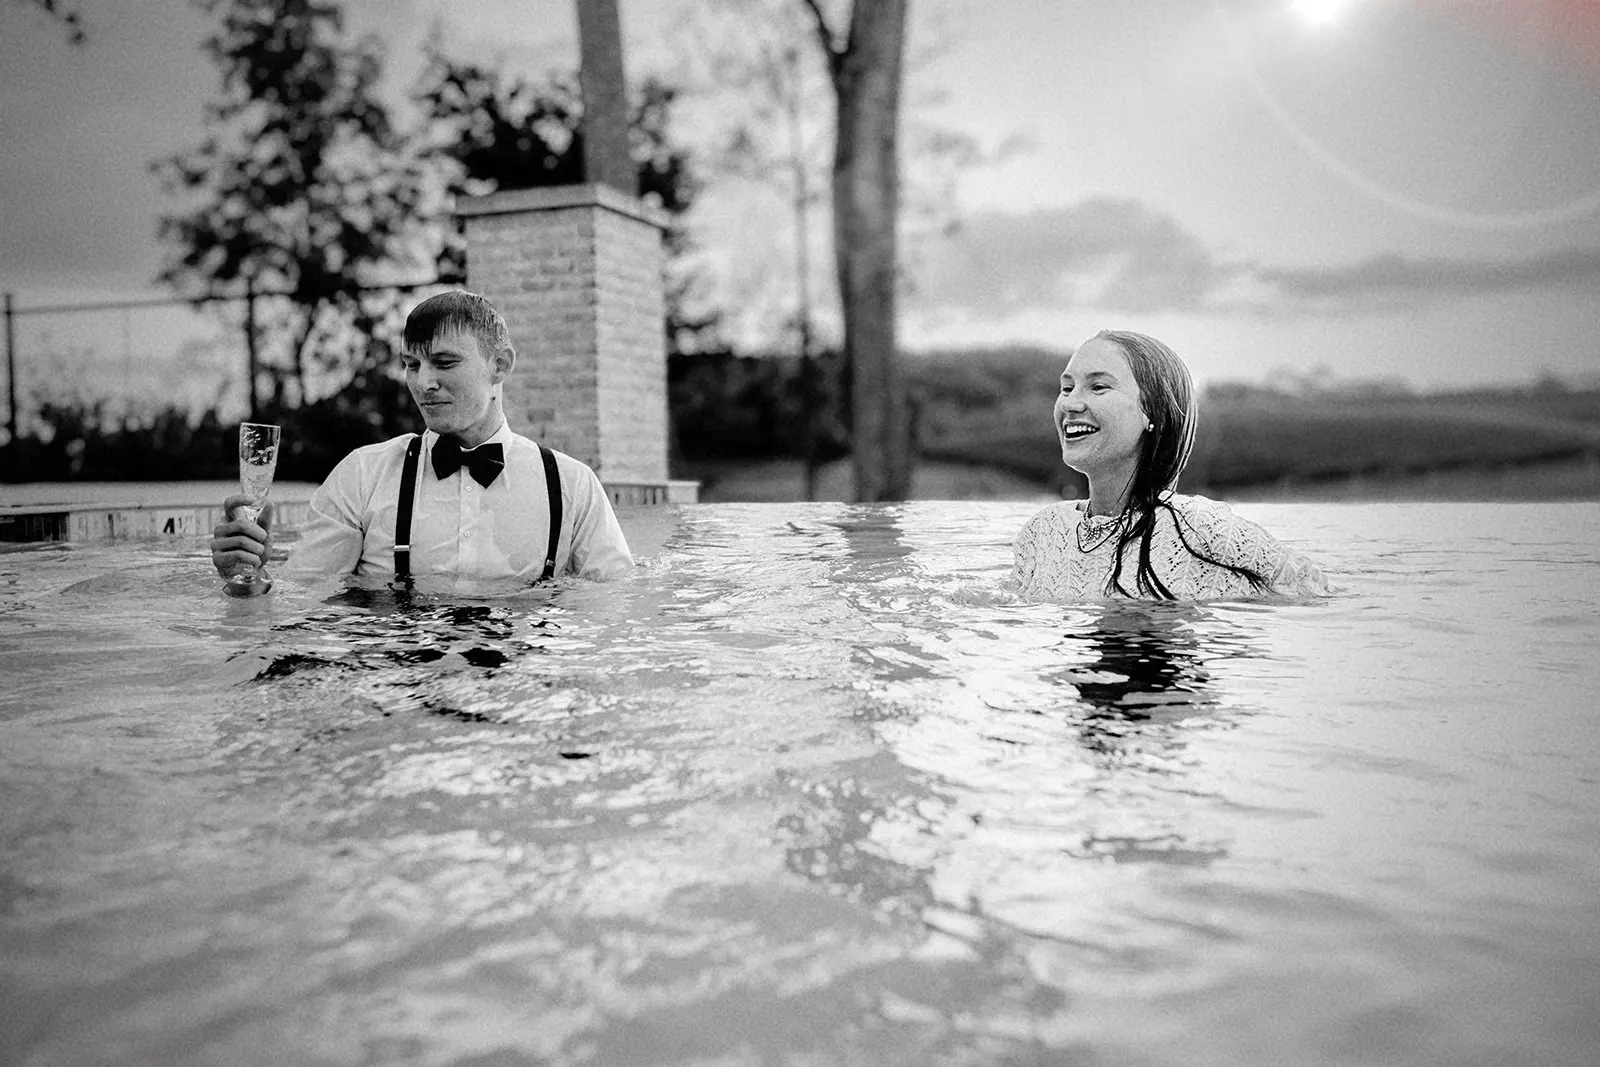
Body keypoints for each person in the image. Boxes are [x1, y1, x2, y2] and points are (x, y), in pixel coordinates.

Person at [210, 290, 633, 590]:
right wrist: (247, 580)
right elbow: (303, 606)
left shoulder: (572, 486)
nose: (424, 383)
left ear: (500, 366)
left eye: (444, 362)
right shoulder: (362, 475)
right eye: (412, 364)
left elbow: (615, 614)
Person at [1011, 329, 1327, 601]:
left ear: (1151, 411)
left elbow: (1312, 590)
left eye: (1098, 387)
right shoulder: (1042, 532)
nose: (1070, 403)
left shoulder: (1202, 529)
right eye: (1067, 388)